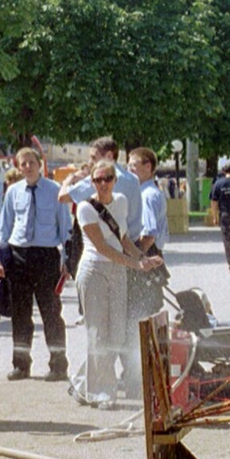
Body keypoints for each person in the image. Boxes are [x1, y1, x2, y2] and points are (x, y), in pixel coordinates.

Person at [68, 160, 161, 406]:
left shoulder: (121, 201)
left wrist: (143, 258)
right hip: (94, 270)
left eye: (108, 178)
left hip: (118, 270)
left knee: (117, 335)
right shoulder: (85, 208)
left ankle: (80, 382)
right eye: (98, 180)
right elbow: (103, 247)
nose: (103, 184)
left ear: (115, 180)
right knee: (98, 333)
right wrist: (135, 265)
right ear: (92, 182)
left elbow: (122, 239)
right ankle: (101, 392)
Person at [0, 147, 71, 382]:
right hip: (19, 257)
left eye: (31, 162)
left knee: (51, 313)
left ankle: (58, 365)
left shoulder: (55, 191)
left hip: (46, 256)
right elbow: (4, 227)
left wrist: (67, 261)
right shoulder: (13, 192)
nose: (27, 167)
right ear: (18, 168)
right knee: (20, 314)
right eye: (23, 164)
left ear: (40, 164)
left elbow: (65, 228)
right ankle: (21, 364)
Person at [123, 147, 170, 399]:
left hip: (146, 258)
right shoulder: (141, 191)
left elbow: (149, 232)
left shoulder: (148, 194)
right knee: (139, 316)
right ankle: (138, 374)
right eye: (128, 165)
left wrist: (134, 256)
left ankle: (139, 376)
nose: (130, 169)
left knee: (139, 317)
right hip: (146, 258)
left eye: (135, 165)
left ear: (149, 167)